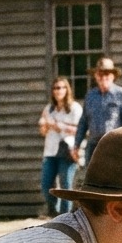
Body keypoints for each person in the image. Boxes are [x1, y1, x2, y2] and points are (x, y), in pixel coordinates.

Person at [72, 56, 122, 162]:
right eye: (100, 74)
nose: (103, 77)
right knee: (91, 177)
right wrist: (76, 145)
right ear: (96, 76)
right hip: (93, 145)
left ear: (113, 76)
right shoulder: (90, 96)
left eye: (106, 74)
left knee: (115, 177)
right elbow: (83, 122)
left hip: (115, 145)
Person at [38, 76, 82, 217]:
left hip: (67, 149)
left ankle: (67, 216)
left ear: (67, 89)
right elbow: (43, 131)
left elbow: (79, 129)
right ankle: (55, 212)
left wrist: (58, 126)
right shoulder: (49, 109)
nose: (59, 91)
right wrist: (44, 125)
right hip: (51, 150)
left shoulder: (74, 108)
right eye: (56, 88)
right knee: (46, 185)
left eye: (62, 87)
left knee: (66, 185)